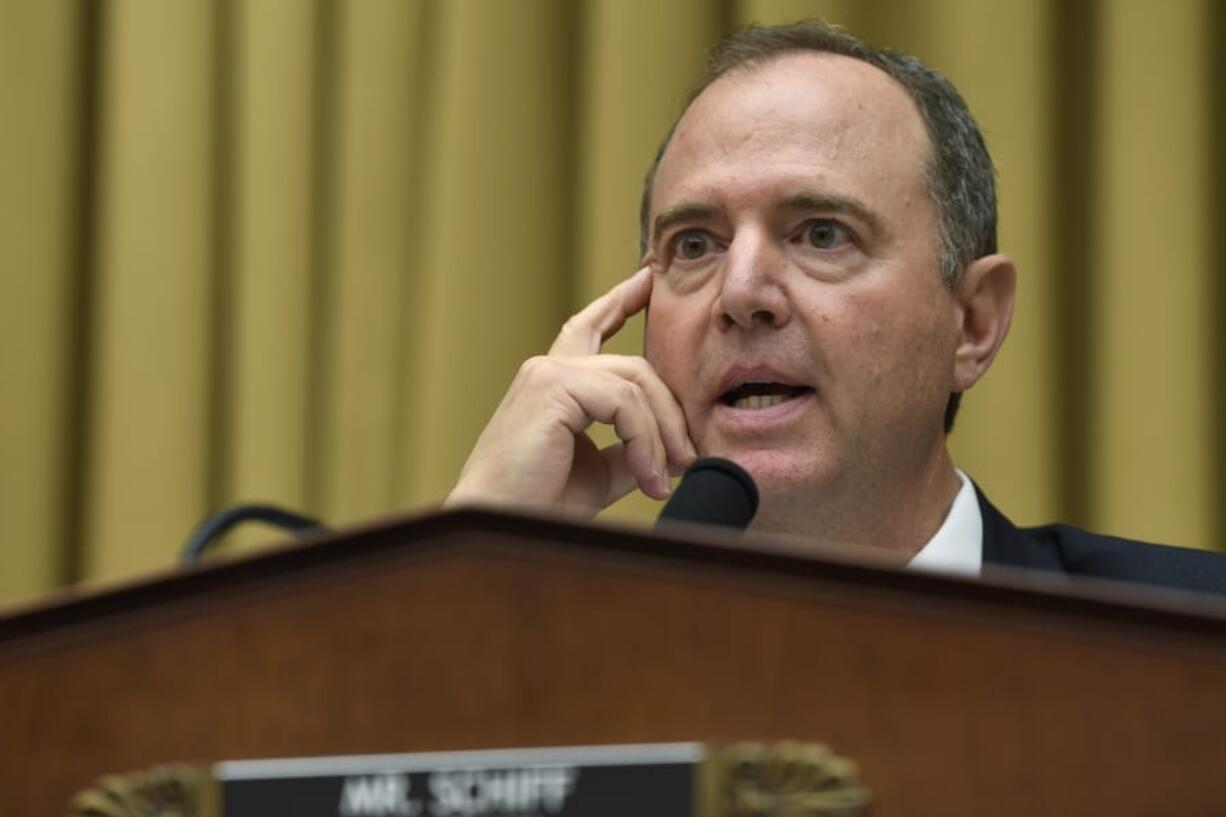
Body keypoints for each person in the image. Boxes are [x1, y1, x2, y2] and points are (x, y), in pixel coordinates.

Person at [447, 21, 1226, 595]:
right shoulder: (540, 669)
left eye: (822, 233)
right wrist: (464, 563)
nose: (743, 293)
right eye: (694, 244)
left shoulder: (1186, 644)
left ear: (975, 322)